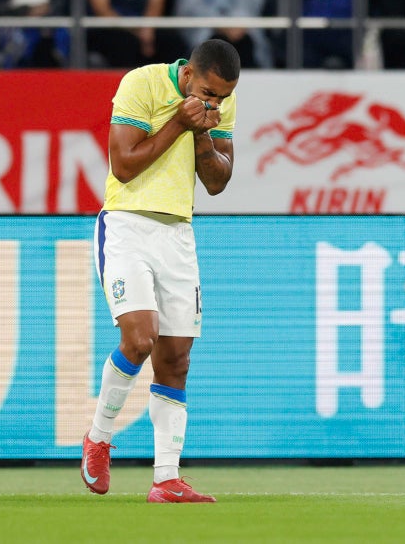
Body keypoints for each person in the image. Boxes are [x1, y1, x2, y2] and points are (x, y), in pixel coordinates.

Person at [81, 38, 240, 504]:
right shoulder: (142, 83)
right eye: (208, 93)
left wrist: (204, 132)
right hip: (128, 223)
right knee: (139, 338)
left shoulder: (218, 106)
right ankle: (98, 438)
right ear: (187, 74)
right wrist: (179, 122)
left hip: (178, 233)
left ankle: (166, 478)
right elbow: (124, 166)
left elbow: (216, 182)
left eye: (222, 98)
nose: (214, 103)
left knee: (175, 359)